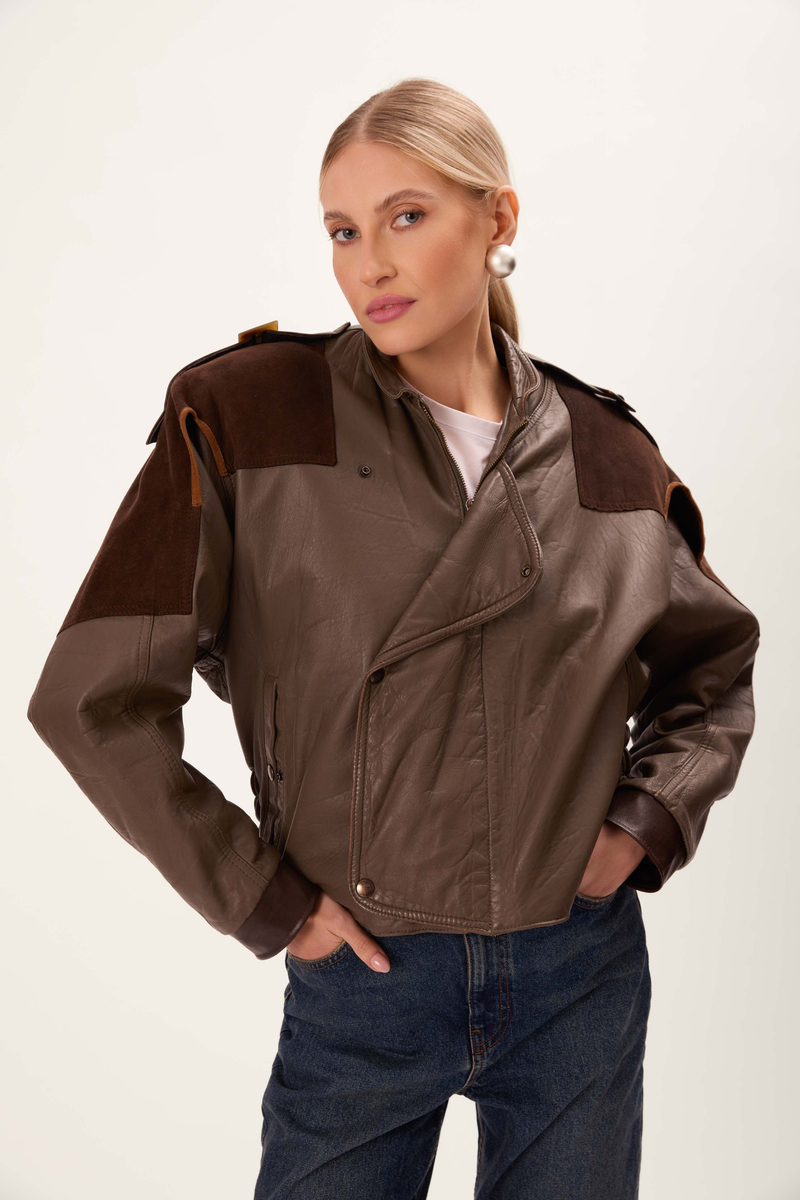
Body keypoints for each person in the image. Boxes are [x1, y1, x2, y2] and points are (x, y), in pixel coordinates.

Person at [27, 77, 760, 1199]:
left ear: (497, 219)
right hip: (362, 970)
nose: (368, 262)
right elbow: (90, 698)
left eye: (405, 217)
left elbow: (711, 676)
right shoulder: (248, 417)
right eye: (342, 230)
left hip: (577, 968)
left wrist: (640, 826)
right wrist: (264, 900)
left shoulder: (607, 454)